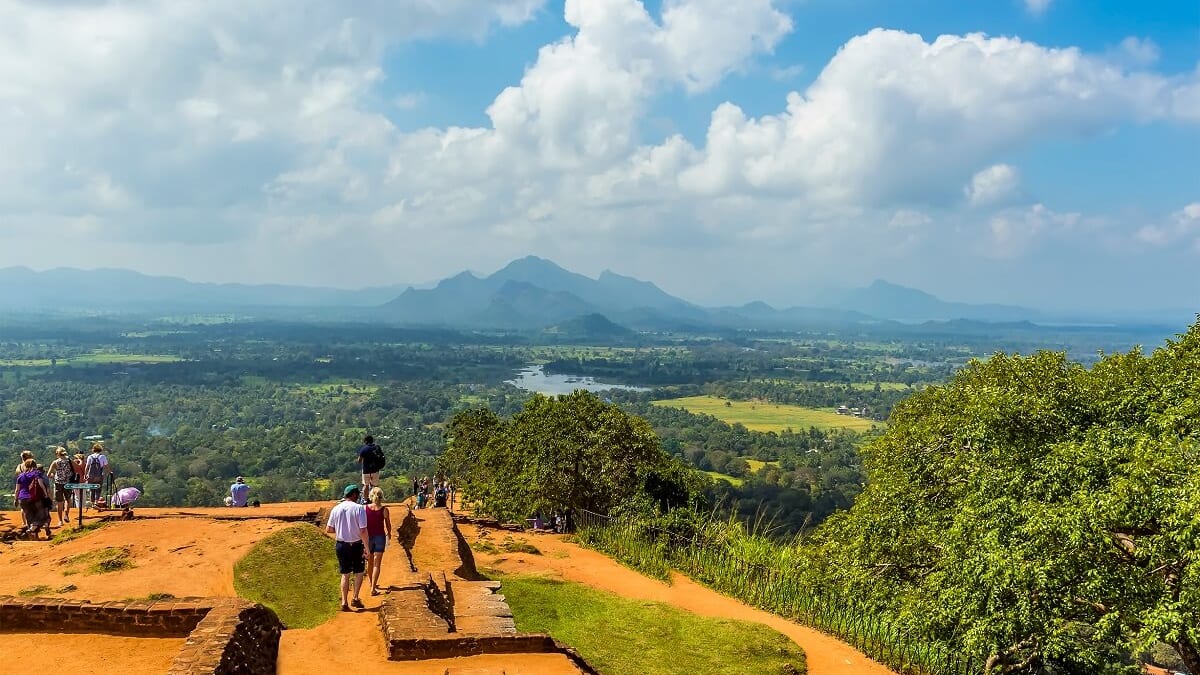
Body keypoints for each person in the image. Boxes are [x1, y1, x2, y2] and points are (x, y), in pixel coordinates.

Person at [325, 484, 369, 612]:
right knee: (359, 572)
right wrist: (367, 548)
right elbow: (363, 530)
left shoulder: (336, 509)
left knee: (345, 574)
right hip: (356, 544)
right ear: (354, 494)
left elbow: (329, 529)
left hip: (341, 544)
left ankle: (344, 601)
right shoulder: (359, 508)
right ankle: (355, 597)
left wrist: (341, 528)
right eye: (358, 494)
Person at [13, 458, 51, 539]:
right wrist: (45, 494)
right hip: (34, 498)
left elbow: (17, 490)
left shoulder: (20, 476)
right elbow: (41, 484)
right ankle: (35, 526)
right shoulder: (36, 473)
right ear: (34, 465)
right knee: (41, 514)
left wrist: (15, 499)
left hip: (22, 499)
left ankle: (34, 536)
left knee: (29, 516)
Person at [365, 487, 392, 596]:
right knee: (377, 563)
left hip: (368, 537)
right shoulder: (384, 509)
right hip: (380, 537)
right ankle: (373, 587)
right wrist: (389, 533)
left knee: (369, 562)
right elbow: (388, 524)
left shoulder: (365, 508)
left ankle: (372, 583)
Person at [48, 447, 74, 526]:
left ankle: (60, 521)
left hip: (58, 483)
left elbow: (48, 474)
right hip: (68, 483)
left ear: (57, 454)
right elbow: (76, 468)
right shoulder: (69, 461)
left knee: (59, 502)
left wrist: (54, 475)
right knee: (68, 499)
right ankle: (66, 514)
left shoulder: (55, 462)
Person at [356, 435, 385, 500]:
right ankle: (375, 500)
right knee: (375, 486)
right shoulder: (377, 447)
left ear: (366, 441)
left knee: (366, 485)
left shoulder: (364, 449)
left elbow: (359, 460)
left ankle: (366, 500)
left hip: (366, 470)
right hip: (375, 470)